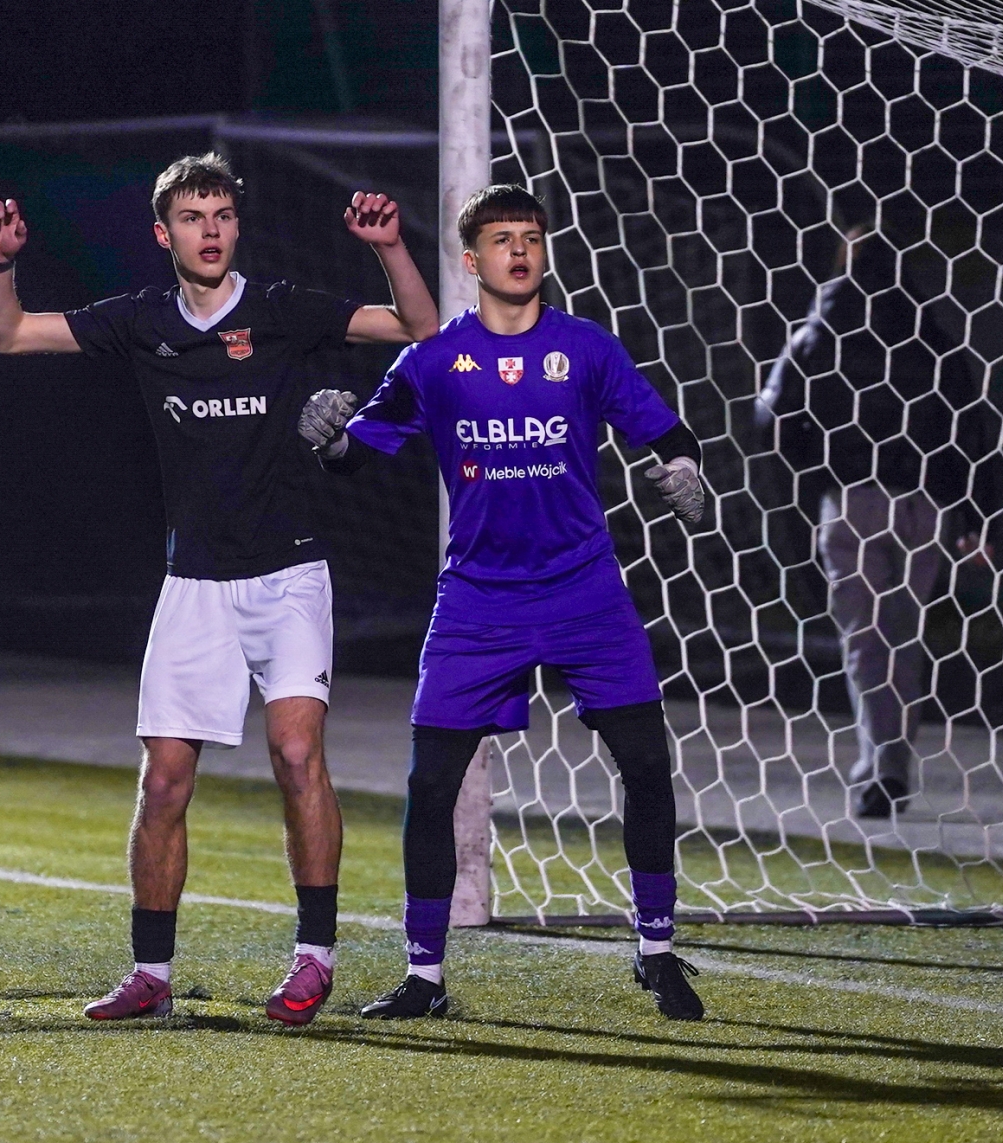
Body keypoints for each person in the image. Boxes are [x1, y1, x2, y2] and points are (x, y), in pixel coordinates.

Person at [0, 152, 438, 1024]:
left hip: (289, 574)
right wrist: (0, 266)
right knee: (163, 783)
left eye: (222, 214)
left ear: (236, 226)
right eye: (193, 217)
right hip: (193, 584)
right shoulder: (142, 318)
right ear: (165, 234)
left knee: (295, 754)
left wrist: (388, 247)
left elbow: (418, 324)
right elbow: (8, 335)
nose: (211, 230)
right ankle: (150, 973)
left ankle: (314, 956)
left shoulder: (280, 309)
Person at [299, 185, 708, 1021]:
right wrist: (326, 435)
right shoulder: (433, 360)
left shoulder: (586, 350)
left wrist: (687, 472)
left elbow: (668, 434)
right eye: (501, 239)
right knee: (430, 783)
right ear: (471, 259)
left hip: (586, 592)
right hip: (479, 601)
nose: (519, 251)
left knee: (645, 763)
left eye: (530, 237)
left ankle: (657, 949)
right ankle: (424, 975)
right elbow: (356, 453)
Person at [755, 226, 988, 818]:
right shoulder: (929, 334)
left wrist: (813, 469)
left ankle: (879, 769)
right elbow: (969, 424)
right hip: (924, 504)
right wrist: (974, 511)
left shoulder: (817, 333)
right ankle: (891, 763)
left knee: (865, 642)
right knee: (904, 638)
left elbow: (772, 415)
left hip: (854, 497)